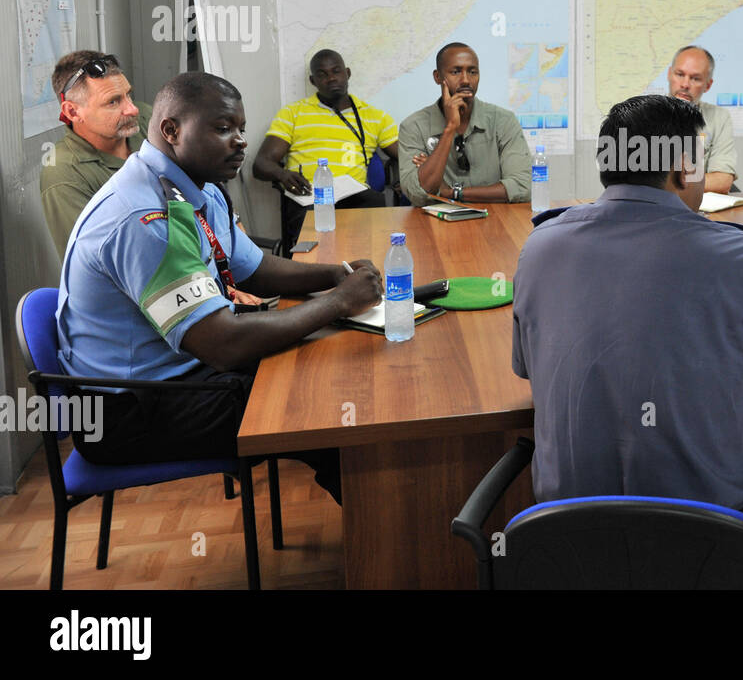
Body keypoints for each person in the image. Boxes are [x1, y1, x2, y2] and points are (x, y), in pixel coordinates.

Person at [512, 95, 743, 534]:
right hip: (714, 539)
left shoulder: (539, 248)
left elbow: (532, 375)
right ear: (684, 169)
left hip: (572, 537)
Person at [57, 72, 384, 502]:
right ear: (172, 130)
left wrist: (332, 276)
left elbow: (254, 267)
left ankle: (383, 531)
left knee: (322, 364)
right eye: (223, 128)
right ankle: (386, 543)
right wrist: (340, 302)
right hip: (128, 411)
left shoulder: (197, 186)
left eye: (241, 129)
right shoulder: (143, 217)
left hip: (180, 371)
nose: (241, 141)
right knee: (313, 407)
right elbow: (223, 345)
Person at [253, 49, 399, 252]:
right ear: (313, 81)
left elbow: (405, 156)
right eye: (322, 74)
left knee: (374, 210)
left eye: (336, 71)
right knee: (317, 251)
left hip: (355, 195)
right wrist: (282, 174)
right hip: (311, 196)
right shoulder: (293, 113)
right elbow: (261, 164)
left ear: (347, 73)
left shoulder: (375, 117)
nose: (331, 78)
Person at [41, 51, 151, 261]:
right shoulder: (63, 174)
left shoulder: (146, 121)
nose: (132, 109)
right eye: (113, 102)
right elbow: (94, 260)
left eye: (128, 95)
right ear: (73, 112)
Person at [398, 42, 530, 205]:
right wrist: (450, 128)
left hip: (494, 221)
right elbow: (418, 193)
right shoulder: (413, 126)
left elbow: (522, 187)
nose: (466, 80)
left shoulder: (503, 121)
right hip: (436, 224)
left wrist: (451, 192)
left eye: (472, 72)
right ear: (438, 77)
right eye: (456, 72)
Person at [667, 45, 737, 193]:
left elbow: (722, 181)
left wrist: (669, 185)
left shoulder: (719, 118)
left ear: (708, 85)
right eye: (680, 74)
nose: (685, 84)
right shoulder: (645, 113)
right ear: (669, 74)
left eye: (695, 78)